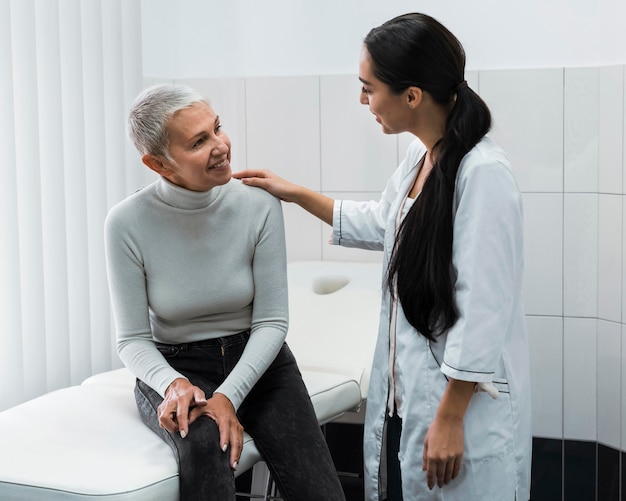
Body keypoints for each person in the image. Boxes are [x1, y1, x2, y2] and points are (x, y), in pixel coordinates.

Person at [233, 12, 532, 501]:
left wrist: (452, 416)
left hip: (464, 410)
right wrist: (295, 193)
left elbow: (483, 306)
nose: (362, 99)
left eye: (368, 87)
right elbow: (385, 222)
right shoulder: (422, 158)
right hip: (416, 397)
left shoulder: (483, 174)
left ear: (411, 95)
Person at [104, 83, 346, 501]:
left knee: (320, 491)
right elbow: (132, 340)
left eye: (217, 129)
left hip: (261, 364)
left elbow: (271, 321)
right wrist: (173, 384)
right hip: (177, 367)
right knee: (203, 445)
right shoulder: (127, 222)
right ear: (158, 163)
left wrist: (228, 397)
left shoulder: (258, 204)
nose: (220, 147)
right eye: (199, 141)